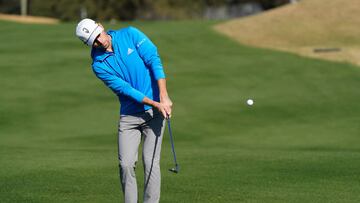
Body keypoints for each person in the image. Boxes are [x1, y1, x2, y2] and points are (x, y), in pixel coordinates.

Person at [75, 18, 173, 203]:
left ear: (101, 27)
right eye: (93, 42)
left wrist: (163, 95)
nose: (99, 42)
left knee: (151, 162)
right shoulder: (99, 65)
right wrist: (155, 103)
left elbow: (153, 59)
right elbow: (126, 90)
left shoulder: (130, 34)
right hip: (129, 117)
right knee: (126, 164)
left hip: (155, 115)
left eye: (98, 36)